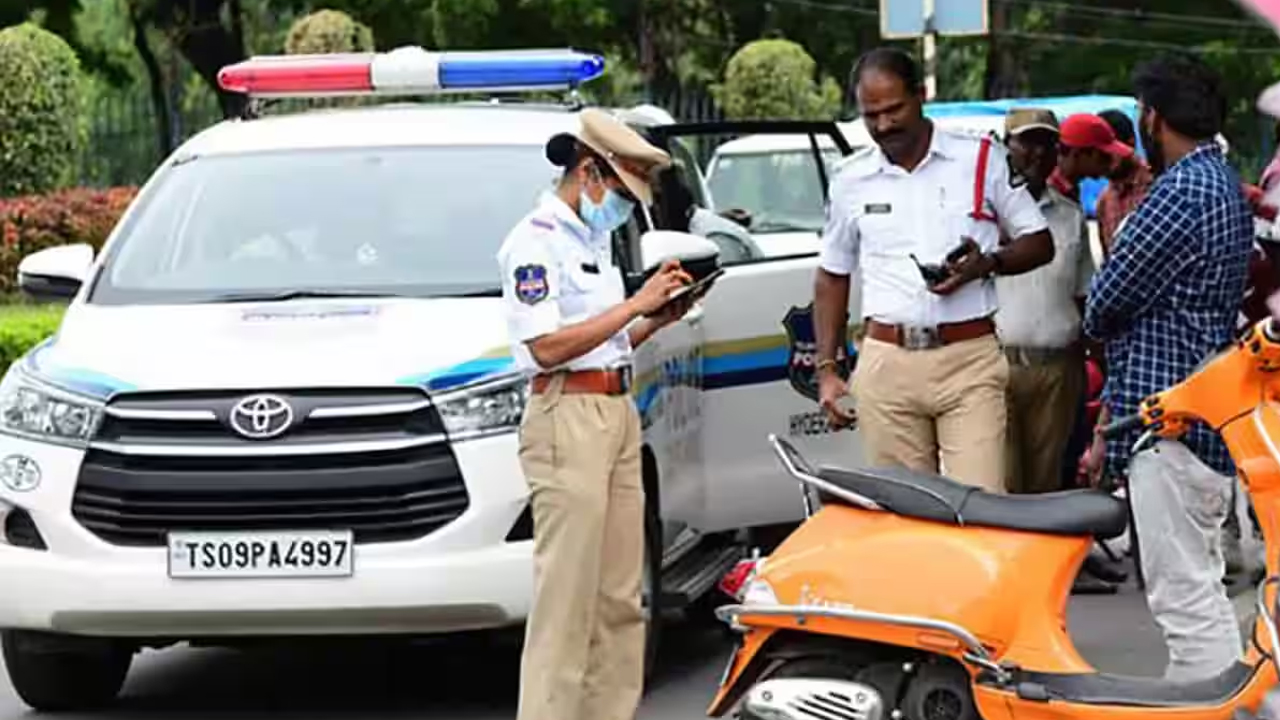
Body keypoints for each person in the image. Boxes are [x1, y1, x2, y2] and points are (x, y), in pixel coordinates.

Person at [497, 108, 698, 720]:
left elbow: (602, 342)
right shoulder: (533, 241)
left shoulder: (591, 240)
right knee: (567, 601)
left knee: (620, 598)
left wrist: (651, 321)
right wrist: (636, 301)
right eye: (620, 192)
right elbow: (547, 348)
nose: (623, 209)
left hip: (615, 408)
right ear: (589, 172)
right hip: (567, 418)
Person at [813, 47, 1054, 493]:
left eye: (894, 110)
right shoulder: (849, 179)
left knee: (980, 509)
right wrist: (827, 370)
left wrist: (987, 264)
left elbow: (1040, 242)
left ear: (921, 96)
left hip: (969, 361)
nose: (884, 125)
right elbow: (832, 275)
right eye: (871, 115)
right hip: (886, 364)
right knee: (905, 520)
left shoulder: (980, 158)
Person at [1084, 52, 1253, 682]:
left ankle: (1211, 706)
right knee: (1200, 588)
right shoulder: (1222, 181)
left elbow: (1102, 304)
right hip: (1198, 410)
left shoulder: (1179, 192)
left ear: (1152, 118)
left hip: (1170, 418)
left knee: (1184, 598)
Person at [995, 108, 1093, 496]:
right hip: (995, 368)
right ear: (1007, 147)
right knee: (1002, 485)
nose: (1036, 153)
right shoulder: (983, 214)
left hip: (1058, 371)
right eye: (1026, 143)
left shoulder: (1070, 216)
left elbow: (1084, 294)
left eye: (1047, 144)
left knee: (1048, 487)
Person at [1094, 109, 1155, 257]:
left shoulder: (1158, 187)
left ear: (1130, 144)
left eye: (1108, 152)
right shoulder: (1104, 202)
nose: (1102, 160)